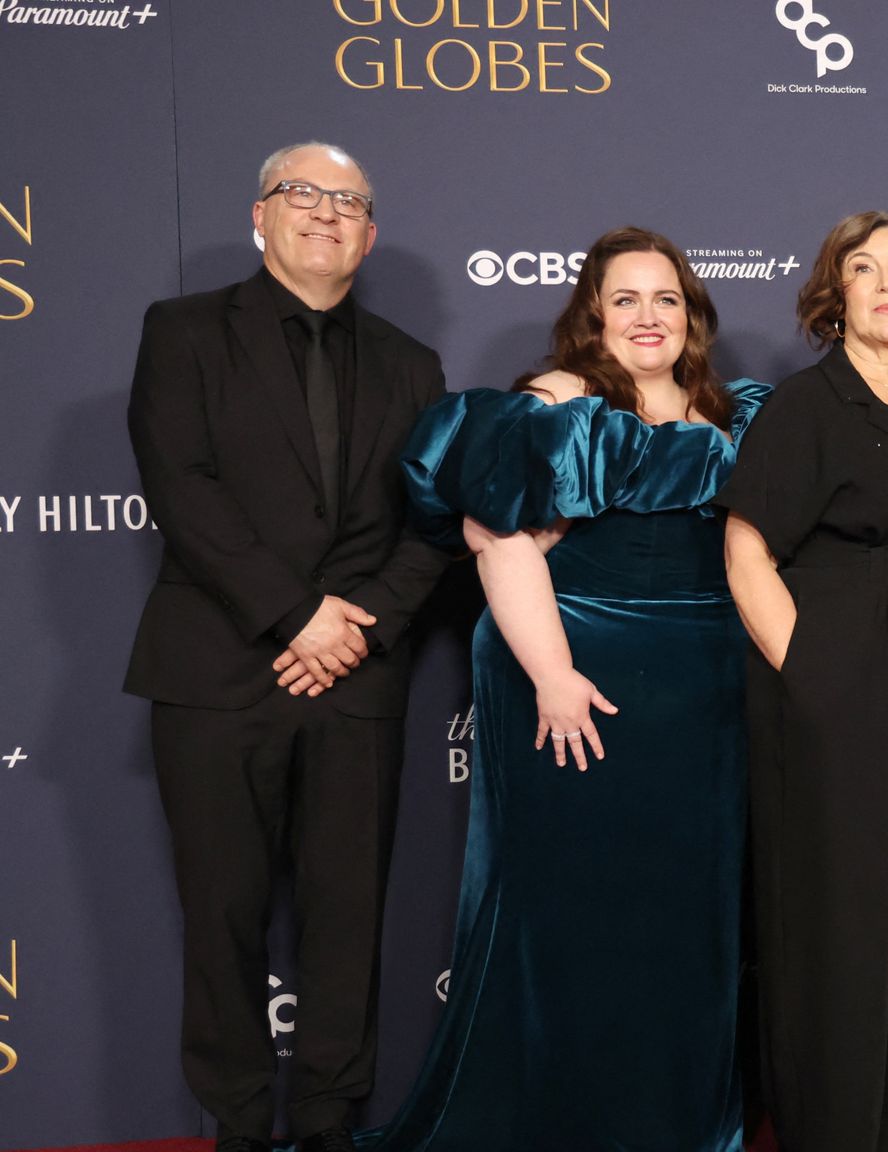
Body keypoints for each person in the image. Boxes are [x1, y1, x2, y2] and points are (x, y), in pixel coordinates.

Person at [364, 227, 765, 1151]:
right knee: (572, 917)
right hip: (576, 686)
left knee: (685, 925)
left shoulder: (731, 411)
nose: (647, 316)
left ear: (691, 311)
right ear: (593, 314)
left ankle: (671, 1123)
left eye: (664, 298)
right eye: (624, 300)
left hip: (702, 695)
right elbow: (497, 539)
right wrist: (552, 676)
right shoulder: (558, 401)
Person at [124, 142, 451, 1152]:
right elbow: (181, 486)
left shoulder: (411, 362)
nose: (324, 212)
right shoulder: (182, 333)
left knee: (346, 917)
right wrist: (293, 614)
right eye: (300, 193)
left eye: (348, 201)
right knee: (220, 914)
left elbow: (432, 521)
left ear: (371, 233)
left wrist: (357, 627)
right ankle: (234, 1121)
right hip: (220, 671)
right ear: (260, 216)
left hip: (355, 679)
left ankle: (325, 1121)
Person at [718, 211, 888, 1152]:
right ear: (833, 295)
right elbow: (747, 549)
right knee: (846, 918)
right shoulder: (810, 404)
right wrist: (813, 676)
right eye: (863, 266)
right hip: (844, 673)